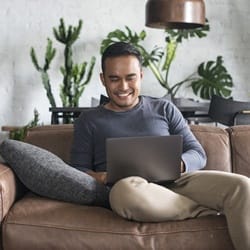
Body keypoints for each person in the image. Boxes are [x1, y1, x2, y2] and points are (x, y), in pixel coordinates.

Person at [0, 42, 249, 250]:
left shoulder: (164, 109)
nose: (123, 87)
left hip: (178, 182)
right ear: (103, 80)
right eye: (114, 79)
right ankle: (204, 211)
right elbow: (78, 171)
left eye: (130, 77)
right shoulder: (89, 121)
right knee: (126, 192)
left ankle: (194, 206)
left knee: (242, 185)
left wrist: (180, 163)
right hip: (130, 189)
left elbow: (198, 153)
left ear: (141, 75)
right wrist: (102, 176)